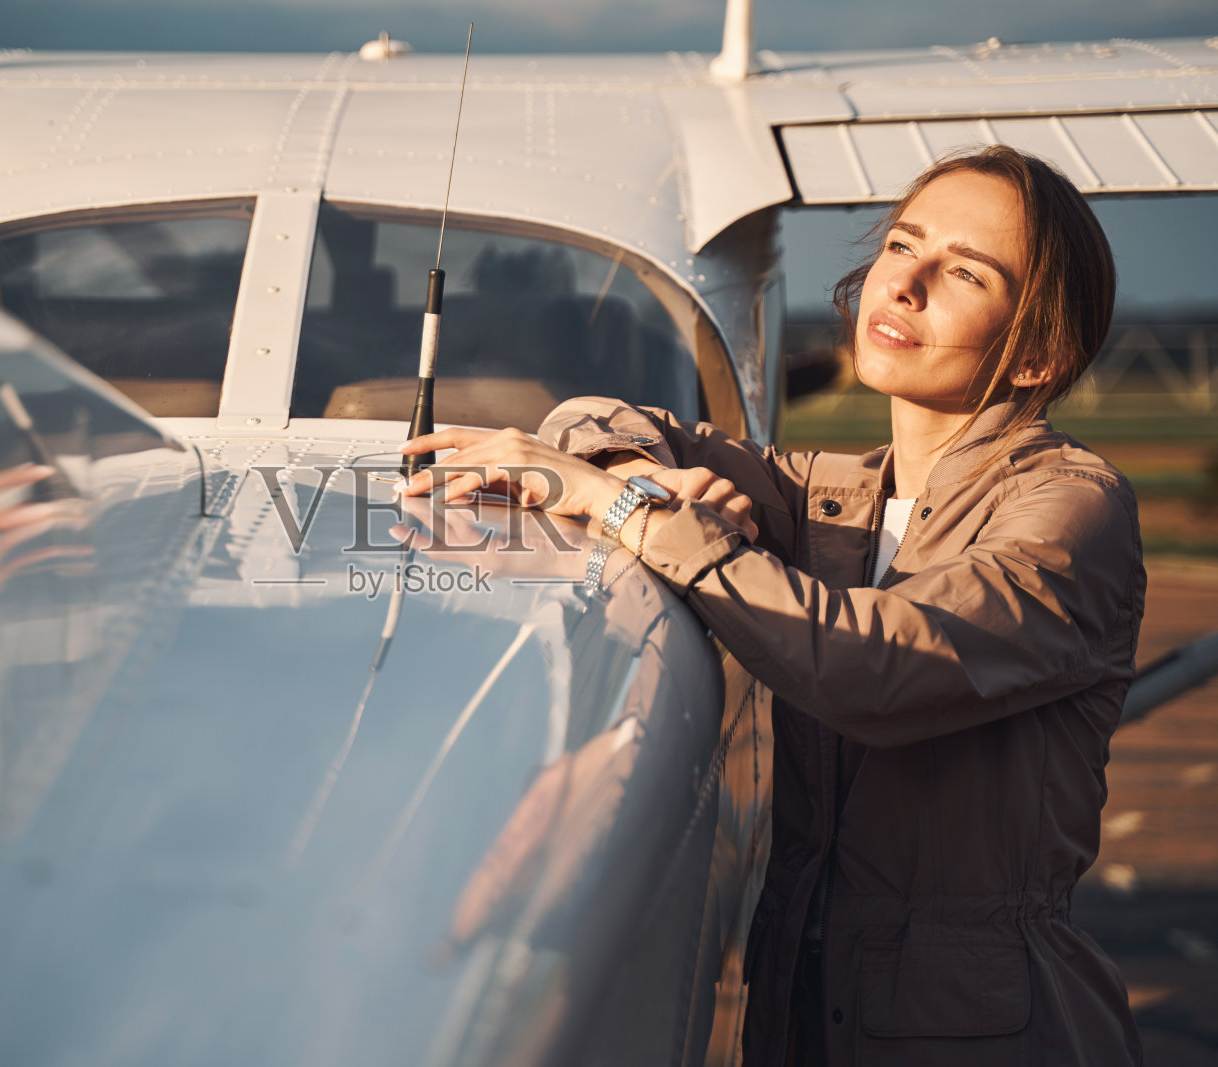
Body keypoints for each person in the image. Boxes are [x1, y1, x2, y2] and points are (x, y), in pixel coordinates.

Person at [397, 145, 1144, 1065]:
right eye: (901, 245)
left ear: (1040, 353)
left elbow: (885, 665)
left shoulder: (1073, 508)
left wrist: (623, 512)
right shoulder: (835, 497)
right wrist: (639, 476)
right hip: (800, 1005)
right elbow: (595, 416)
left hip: (985, 1029)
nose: (902, 284)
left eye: (963, 273)